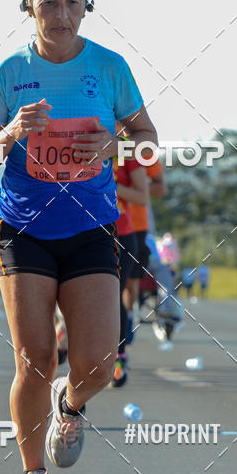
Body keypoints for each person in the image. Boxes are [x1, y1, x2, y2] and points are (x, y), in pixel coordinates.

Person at [0, 0, 158, 474]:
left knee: (98, 362)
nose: (61, 13)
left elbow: (148, 141)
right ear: (29, 7)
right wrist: (10, 132)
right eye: (48, 1)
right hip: (22, 228)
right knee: (35, 359)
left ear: (86, 7)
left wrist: (115, 145)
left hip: (90, 226)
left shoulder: (109, 67)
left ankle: (69, 408)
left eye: (72, 1)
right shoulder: (10, 72)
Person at [111, 151, 148, 386]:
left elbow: (142, 196)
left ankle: (119, 356)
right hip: (81, 232)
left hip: (121, 235)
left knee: (113, 296)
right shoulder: (75, 139)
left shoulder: (125, 150)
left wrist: (111, 185)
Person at [123, 159, 164, 341]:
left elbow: (160, 188)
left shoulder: (142, 150)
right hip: (102, 221)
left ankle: (127, 320)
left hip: (136, 226)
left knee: (131, 284)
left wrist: (132, 187)